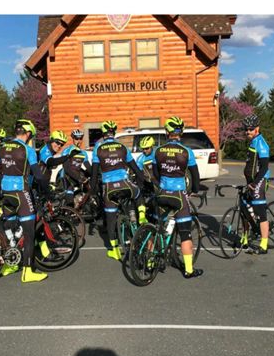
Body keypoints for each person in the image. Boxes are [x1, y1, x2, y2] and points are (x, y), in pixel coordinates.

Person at [0, 119, 51, 283]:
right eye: (31, 136)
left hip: (6, 193)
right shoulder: (28, 150)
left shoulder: (2, 148)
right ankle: (28, 272)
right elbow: (39, 175)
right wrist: (48, 192)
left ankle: (11, 264)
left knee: (10, 228)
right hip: (21, 192)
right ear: (27, 134)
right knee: (29, 233)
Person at [152, 116, 203, 279]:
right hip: (179, 195)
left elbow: (155, 174)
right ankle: (188, 270)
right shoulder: (187, 152)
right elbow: (195, 175)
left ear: (167, 132)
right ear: (181, 132)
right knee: (185, 234)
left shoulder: (157, 151)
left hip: (162, 193)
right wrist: (194, 190)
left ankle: (150, 260)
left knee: (155, 228)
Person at [90, 120, 145, 261]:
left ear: (103, 133)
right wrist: (143, 181)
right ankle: (142, 215)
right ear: (114, 132)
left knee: (110, 219)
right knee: (137, 193)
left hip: (109, 188)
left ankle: (114, 250)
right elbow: (135, 168)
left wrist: (92, 190)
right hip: (125, 184)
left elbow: (94, 173)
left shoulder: (98, 148)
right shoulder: (122, 147)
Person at [242, 114, 270, 255]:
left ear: (257, 129)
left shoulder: (261, 144)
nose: (247, 131)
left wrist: (254, 183)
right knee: (244, 207)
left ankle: (264, 244)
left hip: (259, 180)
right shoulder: (253, 142)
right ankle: (245, 238)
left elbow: (264, 167)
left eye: (250, 129)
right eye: (246, 129)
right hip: (251, 180)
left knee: (260, 211)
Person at [59, 129, 92, 206]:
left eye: (80, 138)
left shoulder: (83, 153)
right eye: (76, 138)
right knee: (70, 191)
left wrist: (95, 174)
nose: (79, 141)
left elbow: (88, 167)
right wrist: (79, 178)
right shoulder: (67, 151)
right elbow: (67, 168)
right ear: (73, 139)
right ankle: (68, 210)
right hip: (66, 175)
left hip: (76, 175)